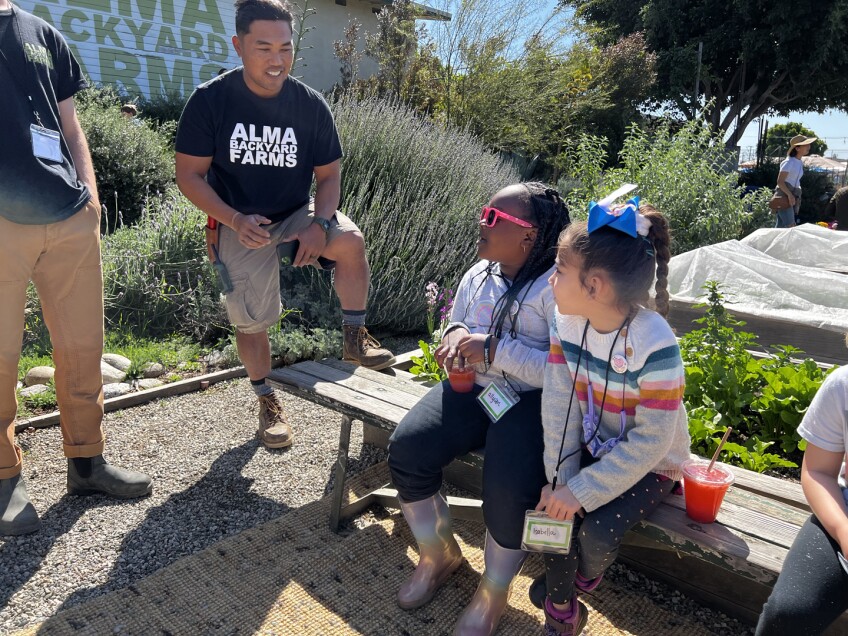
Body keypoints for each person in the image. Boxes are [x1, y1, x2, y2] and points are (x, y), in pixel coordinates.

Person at [175, 0, 395, 450]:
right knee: (251, 322)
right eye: (263, 48)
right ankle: (267, 400)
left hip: (296, 211)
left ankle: (354, 336)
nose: (277, 60)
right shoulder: (210, 101)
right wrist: (233, 218)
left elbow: (329, 176)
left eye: (285, 48)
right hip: (237, 221)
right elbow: (189, 176)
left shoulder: (310, 106)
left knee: (350, 241)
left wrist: (320, 222)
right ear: (238, 46)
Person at [388, 183, 571, 636]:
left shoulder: (559, 289)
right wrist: (453, 333)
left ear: (529, 236)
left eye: (494, 217)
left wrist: (491, 349)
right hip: (476, 391)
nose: (482, 221)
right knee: (408, 449)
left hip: (531, 404)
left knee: (507, 492)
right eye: (484, 212)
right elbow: (461, 318)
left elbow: (560, 374)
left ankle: (492, 590)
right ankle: (438, 554)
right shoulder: (480, 273)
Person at [0, 0, 153, 536]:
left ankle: (86, 462)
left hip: (68, 215)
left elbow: (70, 122)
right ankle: (3, 478)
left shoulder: (43, 32)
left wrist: (90, 195)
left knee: (84, 347)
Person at [536, 195, 691, 635]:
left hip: (654, 464)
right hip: (597, 447)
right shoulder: (565, 324)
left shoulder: (655, 343)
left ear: (595, 286)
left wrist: (582, 491)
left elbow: (653, 441)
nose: (550, 280)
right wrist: (560, 481)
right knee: (552, 515)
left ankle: (582, 577)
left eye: (560, 270)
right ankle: (560, 610)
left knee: (596, 534)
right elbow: (558, 409)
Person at [755, 357, 848, 635]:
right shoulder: (842, 386)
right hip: (844, 509)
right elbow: (818, 472)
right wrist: (844, 532)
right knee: (789, 611)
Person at [774, 135, 816, 229]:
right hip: (784, 196)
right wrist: (789, 195)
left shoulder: (799, 162)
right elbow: (780, 182)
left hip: (792, 196)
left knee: (780, 227)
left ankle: (771, 243)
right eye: (805, 144)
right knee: (790, 226)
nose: (809, 146)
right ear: (797, 148)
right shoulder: (789, 162)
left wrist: (793, 196)